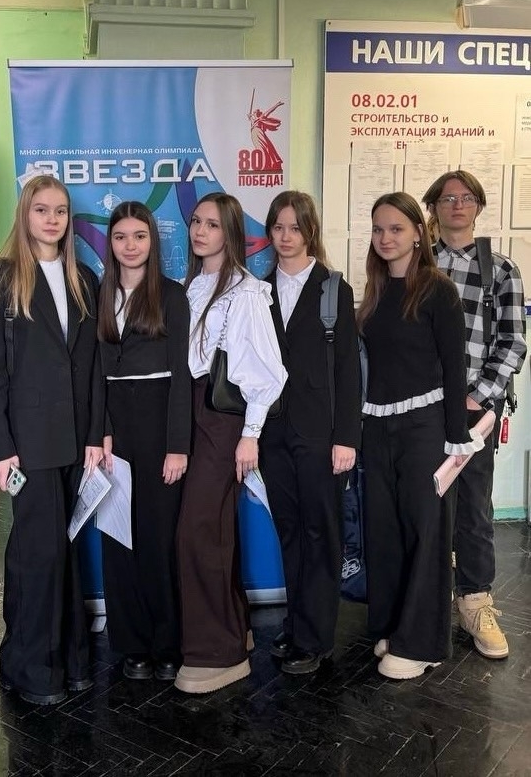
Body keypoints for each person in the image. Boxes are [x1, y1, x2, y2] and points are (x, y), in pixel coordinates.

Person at [0, 174, 104, 705]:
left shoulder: (84, 279)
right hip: (26, 444)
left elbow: (92, 368)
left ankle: (70, 660)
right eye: (42, 209)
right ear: (25, 213)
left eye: (61, 210)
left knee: (64, 551)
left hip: (74, 441)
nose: (52, 219)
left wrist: (94, 435)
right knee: (37, 553)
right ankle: (31, 669)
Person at [357, 191, 482, 681]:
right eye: (378, 229)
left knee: (427, 534)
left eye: (396, 228)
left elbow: (455, 369)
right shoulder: (373, 290)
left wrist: (455, 438)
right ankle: (394, 626)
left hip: (425, 429)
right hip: (377, 426)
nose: (385, 238)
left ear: (417, 233)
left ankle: (423, 642)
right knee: (385, 532)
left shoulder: (438, 290)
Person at [175, 192, 287, 694]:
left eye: (213, 225)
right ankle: (233, 628)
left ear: (231, 233)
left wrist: (250, 435)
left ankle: (217, 653)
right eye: (196, 221)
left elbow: (268, 373)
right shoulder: (193, 285)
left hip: (223, 419)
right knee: (214, 529)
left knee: (199, 531)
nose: (201, 231)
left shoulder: (244, 292)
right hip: (191, 414)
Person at [422, 171, 526, 659]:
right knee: (423, 505)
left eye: (466, 198)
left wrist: (478, 396)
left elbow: (513, 342)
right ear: (433, 208)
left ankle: (475, 603)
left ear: (478, 207)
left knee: (473, 509)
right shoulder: (418, 264)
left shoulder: (500, 270)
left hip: (473, 411)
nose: (457, 205)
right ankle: (424, 604)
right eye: (447, 198)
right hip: (421, 409)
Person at [260, 191, 361, 675]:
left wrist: (347, 437)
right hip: (272, 432)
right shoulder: (258, 290)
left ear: (310, 232)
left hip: (322, 433)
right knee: (289, 529)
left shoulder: (333, 289)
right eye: (278, 227)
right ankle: (297, 623)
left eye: (295, 228)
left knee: (321, 531)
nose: (286, 236)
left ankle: (316, 637)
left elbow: (348, 369)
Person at [97, 201, 191, 682]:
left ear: (152, 241)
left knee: (158, 537)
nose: (130, 245)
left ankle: (166, 643)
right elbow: (93, 374)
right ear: (110, 244)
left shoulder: (171, 295)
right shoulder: (99, 295)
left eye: (139, 236)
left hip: (159, 423)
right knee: (119, 536)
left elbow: (182, 377)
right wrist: (101, 431)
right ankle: (131, 644)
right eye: (120, 237)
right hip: (115, 426)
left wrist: (178, 446)